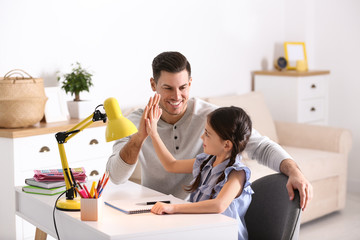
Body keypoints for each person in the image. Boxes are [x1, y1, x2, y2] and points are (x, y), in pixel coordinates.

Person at [106, 51, 313, 211]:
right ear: (153, 84)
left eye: (183, 87)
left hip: (195, 212)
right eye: (168, 88)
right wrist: (140, 137)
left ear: (191, 83)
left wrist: (295, 172)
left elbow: (261, 146)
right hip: (154, 209)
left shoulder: (211, 118)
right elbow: (116, 177)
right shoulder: (137, 121)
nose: (177, 96)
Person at [146, 97, 253, 240]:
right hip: (201, 230)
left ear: (226, 145)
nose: (202, 137)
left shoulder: (237, 173)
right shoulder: (205, 162)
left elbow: (218, 205)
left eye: (208, 134)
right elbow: (171, 165)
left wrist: (173, 208)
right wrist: (154, 134)